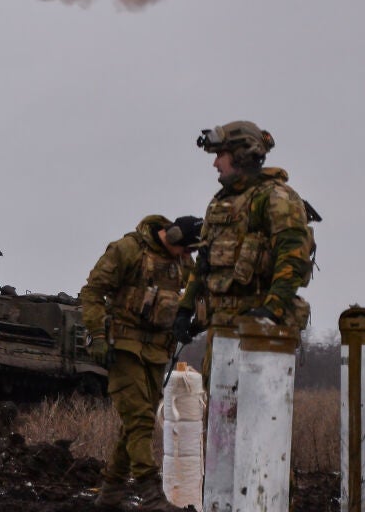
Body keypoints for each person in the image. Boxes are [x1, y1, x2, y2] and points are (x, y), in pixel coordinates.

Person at [80, 214, 201, 512]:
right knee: (140, 420)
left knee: (136, 423)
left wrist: (191, 321)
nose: (187, 255)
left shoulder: (183, 262)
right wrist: (97, 335)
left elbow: (196, 292)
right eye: (186, 248)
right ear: (173, 235)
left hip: (157, 352)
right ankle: (151, 495)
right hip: (123, 348)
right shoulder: (127, 250)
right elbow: (92, 292)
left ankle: (110, 494)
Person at [174, 121, 317, 354]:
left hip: (259, 333)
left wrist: (270, 311)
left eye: (220, 155)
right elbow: (203, 261)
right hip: (221, 328)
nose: (215, 163)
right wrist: (185, 309)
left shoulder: (276, 197)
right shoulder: (220, 202)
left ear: (241, 155)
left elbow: (293, 258)